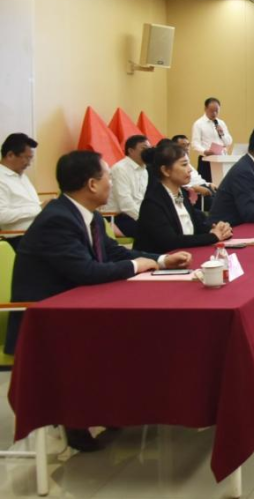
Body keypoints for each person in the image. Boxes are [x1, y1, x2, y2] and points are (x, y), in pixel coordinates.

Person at [4, 150, 191, 451]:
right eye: (107, 177)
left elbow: (114, 252)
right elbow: (86, 271)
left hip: (78, 305)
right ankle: (77, 417)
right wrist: (137, 266)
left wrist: (161, 260)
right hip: (44, 319)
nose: (111, 184)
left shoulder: (85, 214)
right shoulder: (58, 220)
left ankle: (114, 406)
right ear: (92, 184)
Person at [134, 141, 232, 254]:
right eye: (184, 164)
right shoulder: (153, 203)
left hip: (186, 254)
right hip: (160, 260)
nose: (190, 169)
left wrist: (217, 229)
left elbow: (194, 224)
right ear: (166, 170)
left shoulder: (181, 194)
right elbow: (171, 241)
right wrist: (213, 236)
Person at [103, 134, 150, 238]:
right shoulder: (120, 169)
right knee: (153, 231)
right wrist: (145, 220)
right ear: (131, 151)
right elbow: (125, 203)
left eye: (149, 148)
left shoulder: (144, 170)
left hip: (132, 216)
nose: (148, 152)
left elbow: (141, 200)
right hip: (116, 218)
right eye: (144, 148)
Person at [0, 134, 43, 244]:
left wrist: (44, 207)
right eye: (27, 158)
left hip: (37, 233)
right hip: (19, 238)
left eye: (31, 158)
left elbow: (31, 204)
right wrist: (38, 209)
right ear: (10, 155)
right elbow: (2, 215)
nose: (29, 163)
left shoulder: (22, 176)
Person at [191, 97, 233, 183]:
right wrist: (205, 151)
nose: (214, 113)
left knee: (222, 184)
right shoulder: (198, 124)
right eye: (211, 111)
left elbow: (229, 142)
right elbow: (195, 143)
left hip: (222, 159)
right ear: (205, 109)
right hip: (206, 160)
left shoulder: (221, 123)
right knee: (208, 186)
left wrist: (222, 133)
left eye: (216, 111)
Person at [171, 134, 217, 199]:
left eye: (188, 145)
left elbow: (198, 179)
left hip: (204, 187)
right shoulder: (174, 165)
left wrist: (209, 184)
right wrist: (194, 188)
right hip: (195, 194)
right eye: (183, 145)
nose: (186, 148)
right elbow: (179, 186)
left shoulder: (188, 164)